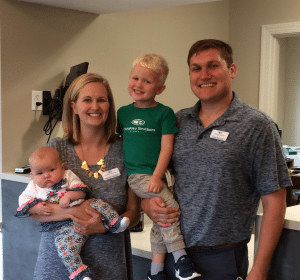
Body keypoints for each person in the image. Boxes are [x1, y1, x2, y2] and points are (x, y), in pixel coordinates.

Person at [141, 39, 292, 280]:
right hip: (172, 255)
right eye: (196, 68)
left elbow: (275, 201)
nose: (204, 75)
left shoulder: (257, 126)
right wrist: (145, 204)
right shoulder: (175, 122)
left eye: (213, 66)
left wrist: (260, 269)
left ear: (231, 70)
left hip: (222, 259)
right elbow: (151, 176)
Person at [30, 73, 140, 280]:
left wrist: (106, 226)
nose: (95, 107)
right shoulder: (56, 149)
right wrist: (79, 211)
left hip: (109, 264)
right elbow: (34, 210)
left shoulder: (126, 149)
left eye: (101, 100)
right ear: (73, 106)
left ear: (109, 104)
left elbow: (134, 212)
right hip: (59, 267)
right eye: (87, 100)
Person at [117, 53, 201, 280]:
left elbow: (167, 148)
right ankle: (181, 259)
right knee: (169, 209)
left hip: (159, 176)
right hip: (137, 176)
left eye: (147, 81)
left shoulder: (164, 114)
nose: (138, 84)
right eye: (135, 78)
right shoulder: (123, 113)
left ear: (160, 88)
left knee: (159, 221)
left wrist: (156, 177)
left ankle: (156, 272)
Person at [16, 146, 130, 280]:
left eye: (51, 170)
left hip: (83, 206)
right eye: (40, 173)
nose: (46, 175)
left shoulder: (68, 175)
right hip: (62, 226)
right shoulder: (33, 186)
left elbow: (81, 191)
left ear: (62, 167)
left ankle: (114, 222)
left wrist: (70, 196)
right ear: (32, 175)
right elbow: (23, 202)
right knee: (65, 249)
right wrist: (35, 208)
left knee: (99, 203)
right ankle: (80, 273)